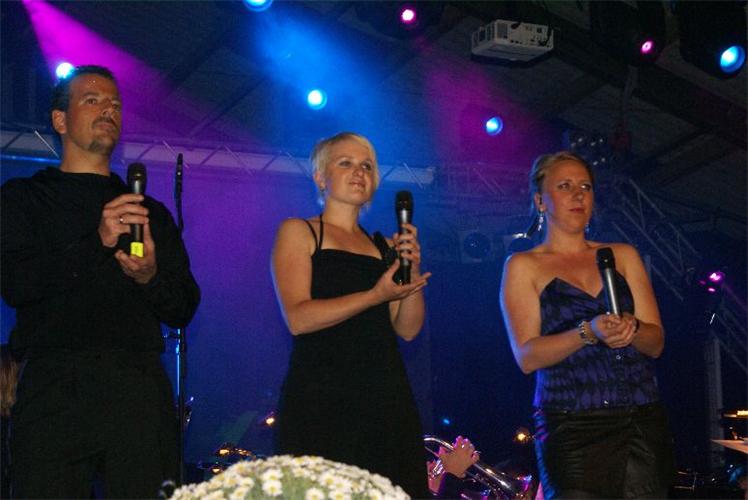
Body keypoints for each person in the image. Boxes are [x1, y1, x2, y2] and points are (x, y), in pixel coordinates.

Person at [1, 65, 200, 498]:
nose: (108, 109)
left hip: (137, 386)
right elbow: (17, 284)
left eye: (115, 104)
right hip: (55, 385)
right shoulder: (24, 199)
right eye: (92, 100)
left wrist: (149, 276)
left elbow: (183, 306)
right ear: (60, 119)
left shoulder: (148, 211)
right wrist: (98, 242)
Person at [499, 152, 674, 499]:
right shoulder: (523, 265)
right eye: (565, 186)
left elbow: (656, 342)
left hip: (639, 419)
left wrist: (632, 328)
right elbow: (527, 356)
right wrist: (588, 332)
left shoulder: (623, 255)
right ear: (540, 201)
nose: (578, 194)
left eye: (586, 187)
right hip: (572, 425)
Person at [271, 132, 431, 497]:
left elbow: (408, 329)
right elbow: (298, 318)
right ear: (320, 177)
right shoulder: (300, 231)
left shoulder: (384, 246)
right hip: (322, 397)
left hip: (384, 397)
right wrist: (374, 295)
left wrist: (412, 270)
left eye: (367, 166)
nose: (359, 172)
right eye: (346, 163)